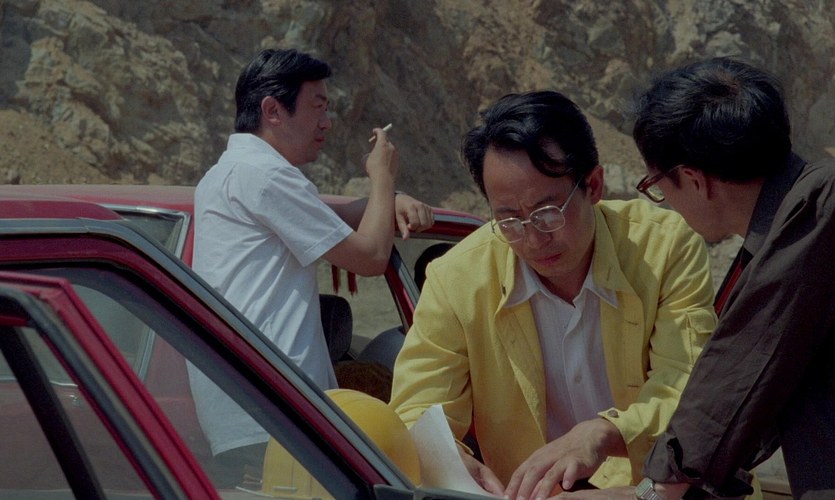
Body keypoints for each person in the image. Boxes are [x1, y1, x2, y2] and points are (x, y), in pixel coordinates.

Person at [389, 90, 718, 499]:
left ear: (593, 185)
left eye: (547, 213)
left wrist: (605, 433)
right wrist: (448, 460)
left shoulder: (664, 248)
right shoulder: (456, 279)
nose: (532, 238)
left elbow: (689, 388)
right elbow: (416, 412)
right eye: (509, 220)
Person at [187, 47, 433, 486]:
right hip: (279, 413)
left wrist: (387, 202)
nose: (327, 122)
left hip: (255, 409)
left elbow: (330, 222)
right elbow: (371, 257)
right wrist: (383, 176)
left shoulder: (231, 172)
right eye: (317, 107)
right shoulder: (267, 176)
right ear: (272, 111)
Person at [625, 57, 835, 500]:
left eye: (658, 187)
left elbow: (741, 364)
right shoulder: (795, 220)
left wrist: (657, 489)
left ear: (693, 179)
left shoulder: (820, 209)